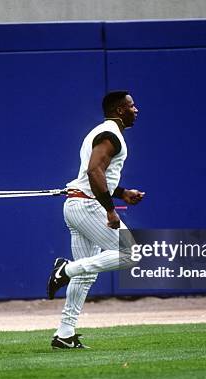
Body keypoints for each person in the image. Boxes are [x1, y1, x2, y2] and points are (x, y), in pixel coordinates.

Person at [47, 91, 144, 349]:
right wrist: (112, 210)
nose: (136, 110)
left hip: (77, 205)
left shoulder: (102, 132)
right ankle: (64, 270)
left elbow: (100, 174)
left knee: (86, 275)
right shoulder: (110, 135)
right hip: (89, 207)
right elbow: (94, 171)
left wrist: (123, 192)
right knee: (130, 254)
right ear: (120, 110)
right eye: (132, 106)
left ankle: (64, 335)